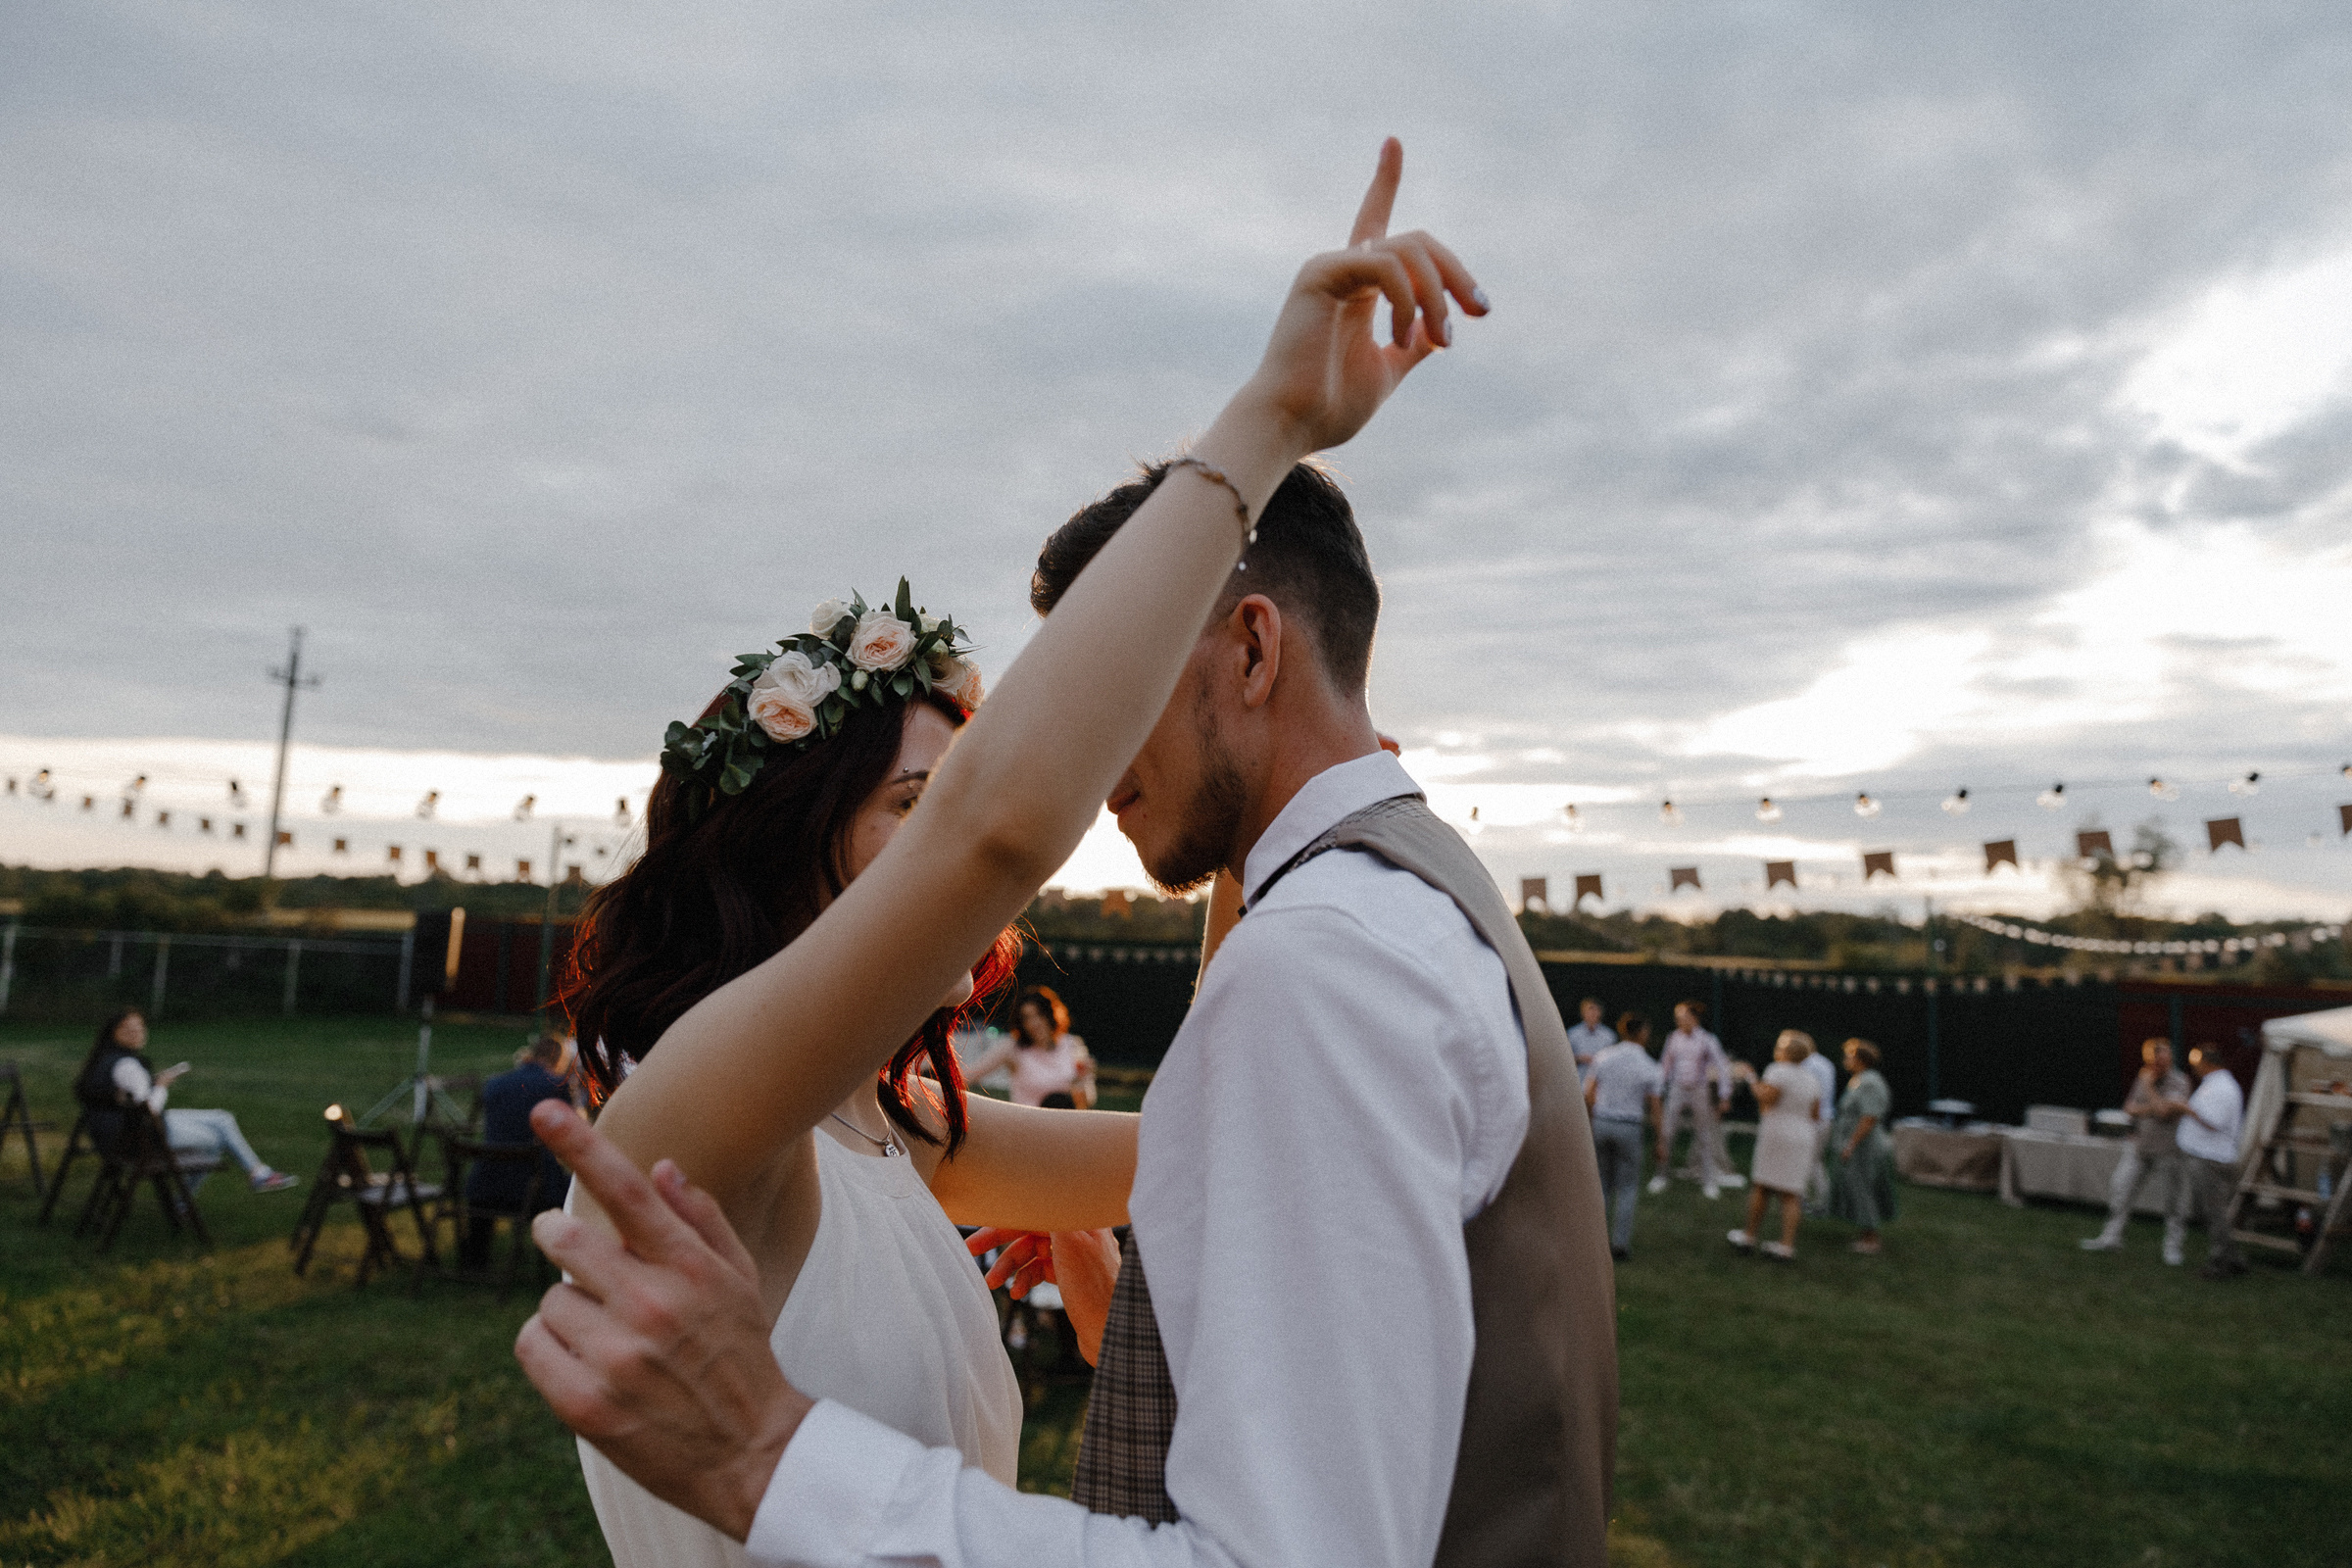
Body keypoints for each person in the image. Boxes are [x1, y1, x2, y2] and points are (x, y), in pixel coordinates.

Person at [516, 143, 1615, 1568]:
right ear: (794, 852)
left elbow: (1209, 1142)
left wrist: (1285, 806)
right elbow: (1001, 832)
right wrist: (1268, 423)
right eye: (918, 804)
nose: (994, 827)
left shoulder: (898, 1136)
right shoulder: (694, 1125)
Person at [71, 1008, 297, 1192]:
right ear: (113, 1032)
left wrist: (152, 1084)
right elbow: (148, 1110)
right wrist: (161, 1086)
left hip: (120, 1136)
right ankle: (189, 1201)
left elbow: (128, 1100)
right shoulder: (126, 1065)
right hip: (140, 1138)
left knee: (223, 1118)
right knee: (218, 1140)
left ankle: (258, 1173)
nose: (136, 1033)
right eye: (128, 1028)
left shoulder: (106, 1059)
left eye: (140, 1027)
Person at [460, 1034, 578, 1268]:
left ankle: (474, 1260)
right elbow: (568, 1140)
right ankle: (564, 1260)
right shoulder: (555, 1086)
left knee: (498, 1172)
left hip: (484, 1185)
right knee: (574, 1187)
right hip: (532, 1189)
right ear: (557, 1059)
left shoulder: (494, 1084)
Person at [2079, 1038, 2192, 1264]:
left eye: (2165, 1059)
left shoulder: (2180, 1081)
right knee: (2121, 1189)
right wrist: (2150, 1106)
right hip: (2139, 1147)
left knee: (2174, 1202)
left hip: (2169, 1151)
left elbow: (2163, 1112)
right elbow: (2130, 1108)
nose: (2161, 1064)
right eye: (2157, 1060)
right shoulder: (2142, 1077)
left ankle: (2173, 1249)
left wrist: (2150, 1090)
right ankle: (2111, 1237)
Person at [1726, 1031, 1823, 1260]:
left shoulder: (1777, 1071)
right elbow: (1815, 1114)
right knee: (1791, 1193)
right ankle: (1786, 1246)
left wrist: (1751, 1078)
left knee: (1762, 1186)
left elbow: (1766, 1097)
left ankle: (1749, 1236)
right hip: (1803, 1135)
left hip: (1778, 1132)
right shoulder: (1811, 1079)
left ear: (1787, 1051)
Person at [1586, 1011, 1663, 1259]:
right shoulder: (1649, 1065)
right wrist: (1660, 1139)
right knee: (1628, 1186)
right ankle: (1619, 1244)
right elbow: (1655, 1106)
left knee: (1602, 1183)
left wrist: (1590, 1121)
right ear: (1642, 1033)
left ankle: (1596, 1239)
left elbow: (1589, 1093)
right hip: (1629, 1126)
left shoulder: (1604, 1057)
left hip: (1602, 1121)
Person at [2174, 1041, 2247, 1280]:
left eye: (2196, 1063)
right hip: (2207, 1155)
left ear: (2207, 1063)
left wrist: (2185, 1108)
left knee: (2215, 1213)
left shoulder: (2222, 1087)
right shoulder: (2216, 1085)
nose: (2194, 1068)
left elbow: (2213, 1121)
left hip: (2211, 1159)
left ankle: (2220, 1263)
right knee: (2216, 1211)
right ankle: (2233, 1258)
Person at [961, 985, 1098, 1107]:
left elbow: (1086, 1103)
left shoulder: (1072, 1044)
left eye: (1038, 1015)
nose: (1034, 1024)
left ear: (1050, 1015)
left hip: (1062, 1127)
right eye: (1026, 1018)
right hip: (1027, 1127)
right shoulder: (1013, 1047)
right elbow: (969, 1076)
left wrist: (1082, 1079)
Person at [1651, 999, 1733, 1198]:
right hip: (1677, 1089)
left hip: (1699, 1090)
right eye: (1678, 1017)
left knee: (1704, 1135)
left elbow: (1722, 1067)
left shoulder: (1707, 1039)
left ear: (1694, 1018)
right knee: (1667, 1132)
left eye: (1684, 1017)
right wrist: (1658, 1089)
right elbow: (1665, 1065)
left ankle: (1709, 1180)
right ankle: (1661, 1175)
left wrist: (1724, 1095)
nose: (1679, 1020)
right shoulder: (1673, 1038)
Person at [1827, 1038, 1896, 1253]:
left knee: (1863, 1187)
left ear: (1861, 1058)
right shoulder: (1858, 1080)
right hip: (1856, 1143)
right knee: (1856, 1186)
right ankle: (1866, 1232)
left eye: (1850, 1055)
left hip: (1865, 1146)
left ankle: (1871, 1239)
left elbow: (1869, 1117)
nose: (1846, 1059)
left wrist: (1851, 1144)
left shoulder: (1870, 1082)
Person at [1798, 1032, 1838, 1214]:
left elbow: (1806, 1095)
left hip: (1814, 1120)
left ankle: (1822, 1202)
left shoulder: (1806, 1065)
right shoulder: (1825, 1063)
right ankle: (1810, 1200)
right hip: (1827, 1118)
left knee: (1810, 1162)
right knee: (1814, 1161)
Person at [1567, 997, 1615, 1081]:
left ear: (1600, 1013)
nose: (1592, 1013)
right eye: (1590, 1010)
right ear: (1582, 1012)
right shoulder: (1573, 1034)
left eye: (1595, 1010)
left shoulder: (1608, 1036)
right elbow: (1564, 1060)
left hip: (1600, 1083)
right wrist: (1579, 1058)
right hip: (1578, 1081)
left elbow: (1613, 1062)